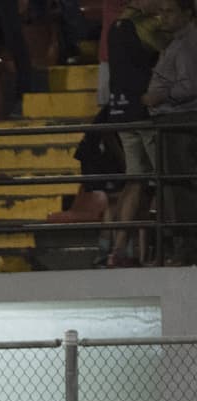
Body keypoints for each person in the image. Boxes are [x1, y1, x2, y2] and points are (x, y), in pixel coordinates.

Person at [105, 0, 168, 267]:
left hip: (120, 110)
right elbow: (170, 51)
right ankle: (169, 246)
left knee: (135, 181)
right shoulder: (144, 27)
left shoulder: (114, 26)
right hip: (145, 112)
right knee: (166, 180)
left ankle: (118, 250)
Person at [144, 0, 197, 266]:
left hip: (179, 120)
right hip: (173, 121)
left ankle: (186, 246)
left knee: (179, 186)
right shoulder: (177, 42)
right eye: (161, 11)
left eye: (170, 11)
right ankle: (181, 244)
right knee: (173, 186)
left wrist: (158, 97)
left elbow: (190, 86)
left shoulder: (188, 43)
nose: (162, 17)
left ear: (186, 13)